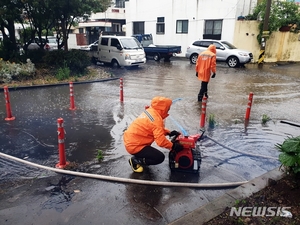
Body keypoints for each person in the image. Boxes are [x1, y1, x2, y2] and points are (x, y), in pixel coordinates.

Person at [123, 96, 184, 173]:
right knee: (159, 157)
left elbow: (153, 128)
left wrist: (169, 132)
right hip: (135, 145)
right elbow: (160, 141)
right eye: (168, 108)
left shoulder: (150, 111)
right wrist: (173, 146)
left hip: (132, 140)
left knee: (151, 153)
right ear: (163, 108)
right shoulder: (156, 119)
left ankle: (141, 157)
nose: (169, 109)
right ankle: (135, 160)